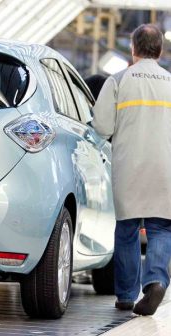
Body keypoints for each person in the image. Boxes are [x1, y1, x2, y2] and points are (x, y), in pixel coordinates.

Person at [92, 23, 171, 316]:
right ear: (160, 51)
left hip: (128, 165)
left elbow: (101, 126)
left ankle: (126, 296)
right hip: (165, 166)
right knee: (161, 228)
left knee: (126, 229)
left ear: (133, 48)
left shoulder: (118, 81)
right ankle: (156, 281)